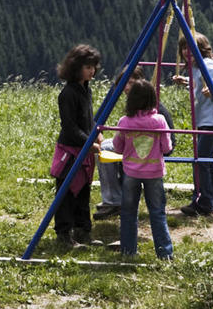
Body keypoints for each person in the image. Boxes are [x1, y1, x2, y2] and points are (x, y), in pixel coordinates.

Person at [94, 66, 176, 220]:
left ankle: (113, 199)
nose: (126, 87)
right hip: (148, 145)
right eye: (124, 83)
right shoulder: (144, 102)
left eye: (130, 83)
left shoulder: (152, 108)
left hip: (153, 146)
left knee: (104, 148)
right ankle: (114, 196)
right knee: (105, 147)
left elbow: (167, 142)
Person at [173, 33, 213, 216]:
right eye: (184, 48)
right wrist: (186, 83)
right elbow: (199, 88)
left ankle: (204, 202)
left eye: (191, 48)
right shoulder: (196, 69)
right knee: (206, 160)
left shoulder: (208, 65)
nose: (186, 52)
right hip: (205, 119)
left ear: (202, 50)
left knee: (200, 160)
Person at [112, 79, 174, 258]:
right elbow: (167, 147)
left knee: (129, 212)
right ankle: (164, 253)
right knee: (157, 212)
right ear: (152, 98)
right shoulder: (159, 121)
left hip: (131, 172)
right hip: (154, 172)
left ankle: (128, 251)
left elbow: (117, 146)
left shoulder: (124, 121)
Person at [50, 44, 102, 248]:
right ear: (76, 67)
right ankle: (64, 234)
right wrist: (88, 141)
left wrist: (96, 134)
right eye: (88, 67)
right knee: (67, 193)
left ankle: (83, 231)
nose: (92, 70)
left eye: (93, 66)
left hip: (84, 149)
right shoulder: (68, 94)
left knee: (83, 192)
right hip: (70, 152)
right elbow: (70, 127)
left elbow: (88, 120)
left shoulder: (86, 90)